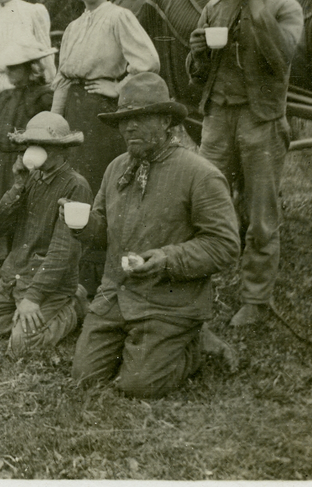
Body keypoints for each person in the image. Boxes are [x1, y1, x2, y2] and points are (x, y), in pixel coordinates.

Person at [70, 72, 240, 398]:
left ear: (165, 121)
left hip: (169, 304)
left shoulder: (200, 174)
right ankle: (142, 346)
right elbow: (103, 231)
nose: (128, 128)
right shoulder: (117, 168)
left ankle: (192, 344)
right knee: (84, 378)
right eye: (123, 120)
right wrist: (81, 225)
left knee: (137, 385)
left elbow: (225, 245)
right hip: (115, 295)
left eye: (140, 118)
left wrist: (166, 258)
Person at [187, 0, 303, 328]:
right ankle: (193, 283)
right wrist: (197, 53)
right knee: (203, 203)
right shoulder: (215, 4)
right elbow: (197, 76)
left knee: (260, 214)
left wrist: (253, 0)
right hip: (218, 118)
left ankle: (255, 298)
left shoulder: (283, 6)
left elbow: (280, 57)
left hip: (261, 121)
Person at [51, 0, 159, 293]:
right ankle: (73, 270)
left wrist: (117, 87)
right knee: (71, 184)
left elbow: (148, 61)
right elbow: (62, 79)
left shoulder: (118, 17)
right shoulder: (73, 26)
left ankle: (103, 273)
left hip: (100, 116)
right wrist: (54, 124)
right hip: (73, 112)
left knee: (97, 186)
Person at [0, 112, 91, 352]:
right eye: (30, 144)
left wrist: (34, 297)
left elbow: (63, 250)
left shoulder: (75, 185)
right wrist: (18, 185)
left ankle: (70, 308)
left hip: (49, 284)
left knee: (21, 346)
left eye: (44, 145)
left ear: (62, 150)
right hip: (15, 278)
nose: (34, 149)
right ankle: (26, 317)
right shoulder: (29, 178)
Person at [0, 41, 56, 263]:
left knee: (20, 204)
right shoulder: (4, 96)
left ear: (31, 68)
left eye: (15, 68)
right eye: (8, 68)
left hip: (23, 158)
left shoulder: (43, 96)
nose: (10, 72)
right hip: (0, 158)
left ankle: (21, 253)